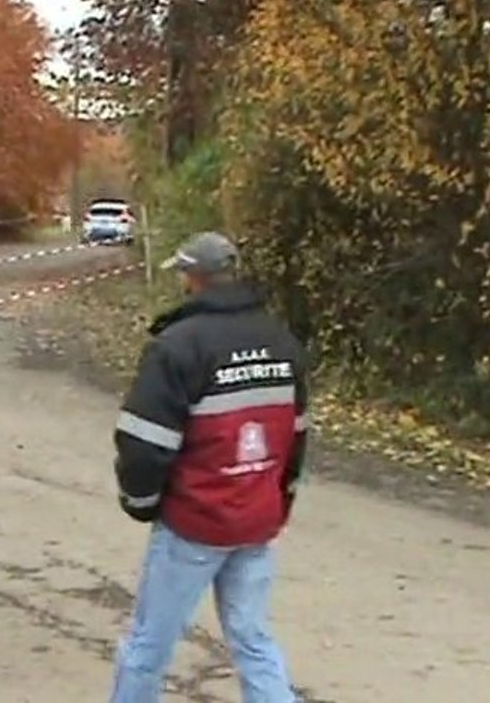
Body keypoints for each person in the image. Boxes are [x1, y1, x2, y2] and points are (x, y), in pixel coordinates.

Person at [109, 231, 308, 703]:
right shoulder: (282, 341)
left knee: (148, 646)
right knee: (253, 641)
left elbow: (143, 442)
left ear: (191, 277)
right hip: (256, 521)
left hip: (193, 524)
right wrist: (279, 501)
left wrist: (141, 502)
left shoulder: (177, 346)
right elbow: (296, 437)